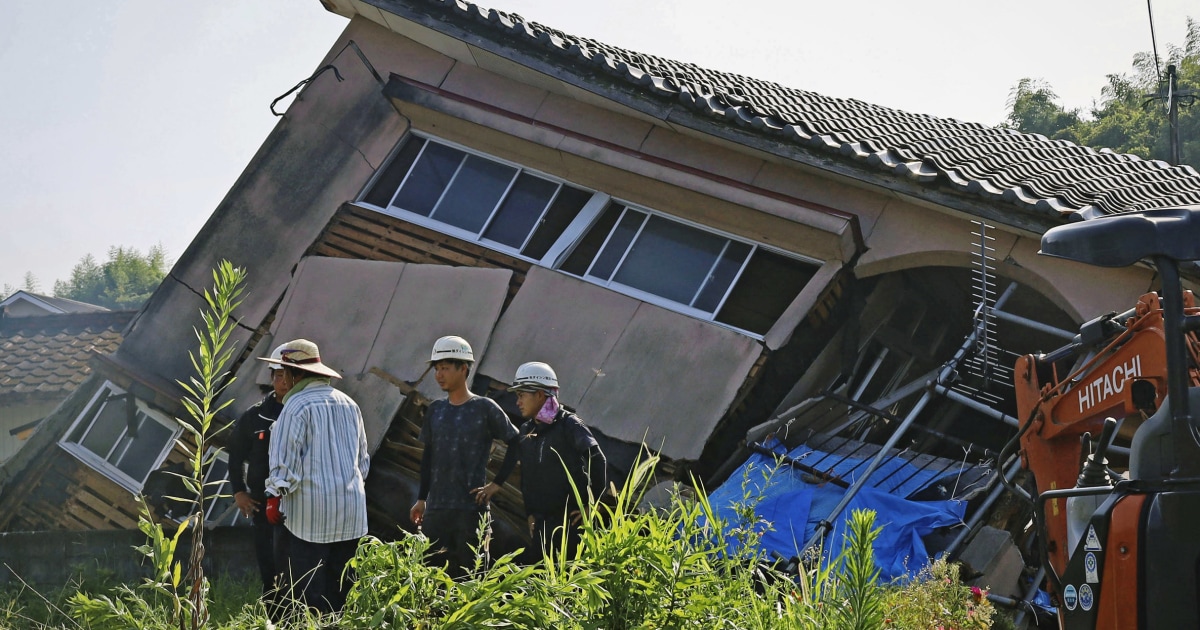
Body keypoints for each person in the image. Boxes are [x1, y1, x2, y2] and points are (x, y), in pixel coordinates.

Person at [261, 339, 369, 615]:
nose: (282, 380)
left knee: (306, 594)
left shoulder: (296, 406)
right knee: (342, 593)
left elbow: (284, 465)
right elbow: (363, 463)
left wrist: (274, 496)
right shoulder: (350, 404)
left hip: (310, 517)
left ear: (297, 374)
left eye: (284, 373)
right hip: (351, 514)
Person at [473, 362, 607, 560]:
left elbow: (597, 459)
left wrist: (591, 504)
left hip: (572, 523)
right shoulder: (527, 431)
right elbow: (527, 476)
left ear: (540, 395)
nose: (517, 402)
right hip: (542, 526)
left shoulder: (568, 424)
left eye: (521, 395)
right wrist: (530, 513)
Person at [409, 336, 519, 577]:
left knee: (472, 577)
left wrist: (496, 484)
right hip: (437, 509)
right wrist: (421, 499)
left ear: (464, 369)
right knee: (426, 577)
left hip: (471, 510)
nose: (439, 375)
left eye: (445, 368)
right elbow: (428, 457)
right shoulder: (436, 410)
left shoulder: (485, 408)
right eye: (437, 369)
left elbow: (516, 442)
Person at [227, 343, 288, 597]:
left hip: (297, 501)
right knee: (268, 564)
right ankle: (273, 615)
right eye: (279, 375)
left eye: (290, 375)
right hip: (262, 503)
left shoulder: (306, 411)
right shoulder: (255, 416)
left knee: (296, 564)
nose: (284, 381)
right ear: (272, 377)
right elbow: (235, 456)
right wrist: (239, 492)